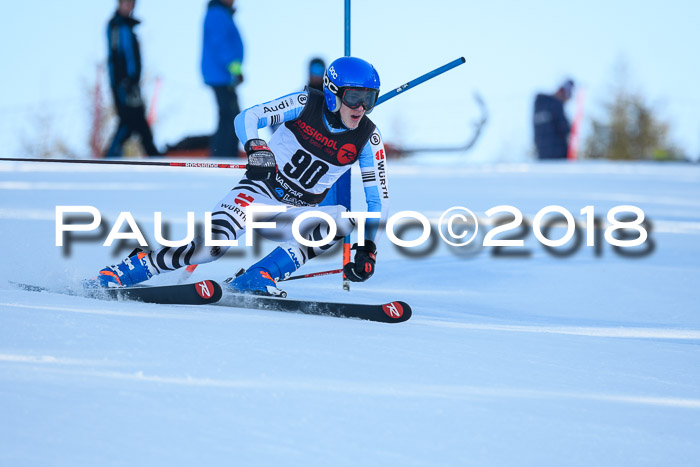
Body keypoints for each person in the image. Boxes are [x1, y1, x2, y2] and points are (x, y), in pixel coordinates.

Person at [87, 57, 390, 296]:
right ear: (333, 93)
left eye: (369, 99)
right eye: (354, 97)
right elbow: (248, 117)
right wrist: (256, 147)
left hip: (295, 214)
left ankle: (261, 276)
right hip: (256, 195)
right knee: (210, 249)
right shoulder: (304, 104)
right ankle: (132, 268)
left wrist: (368, 248)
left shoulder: (367, 138)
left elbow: (378, 199)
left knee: (342, 220)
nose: (361, 107)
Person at [105, 0, 160, 158]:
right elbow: (118, 56)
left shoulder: (127, 26)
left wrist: (133, 79)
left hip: (131, 83)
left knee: (136, 121)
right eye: (127, 3)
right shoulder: (117, 26)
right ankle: (111, 156)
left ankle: (154, 155)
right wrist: (125, 80)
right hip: (123, 83)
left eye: (132, 3)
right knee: (129, 120)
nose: (130, 6)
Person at [202, 0, 244, 158]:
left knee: (229, 115)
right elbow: (220, 43)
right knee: (231, 116)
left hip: (223, 74)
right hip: (220, 74)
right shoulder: (217, 14)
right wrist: (234, 68)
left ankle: (223, 154)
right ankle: (223, 155)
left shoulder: (221, 13)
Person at [533, 79, 575, 159]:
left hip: (541, 155)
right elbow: (564, 128)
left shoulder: (539, 104)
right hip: (558, 156)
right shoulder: (556, 104)